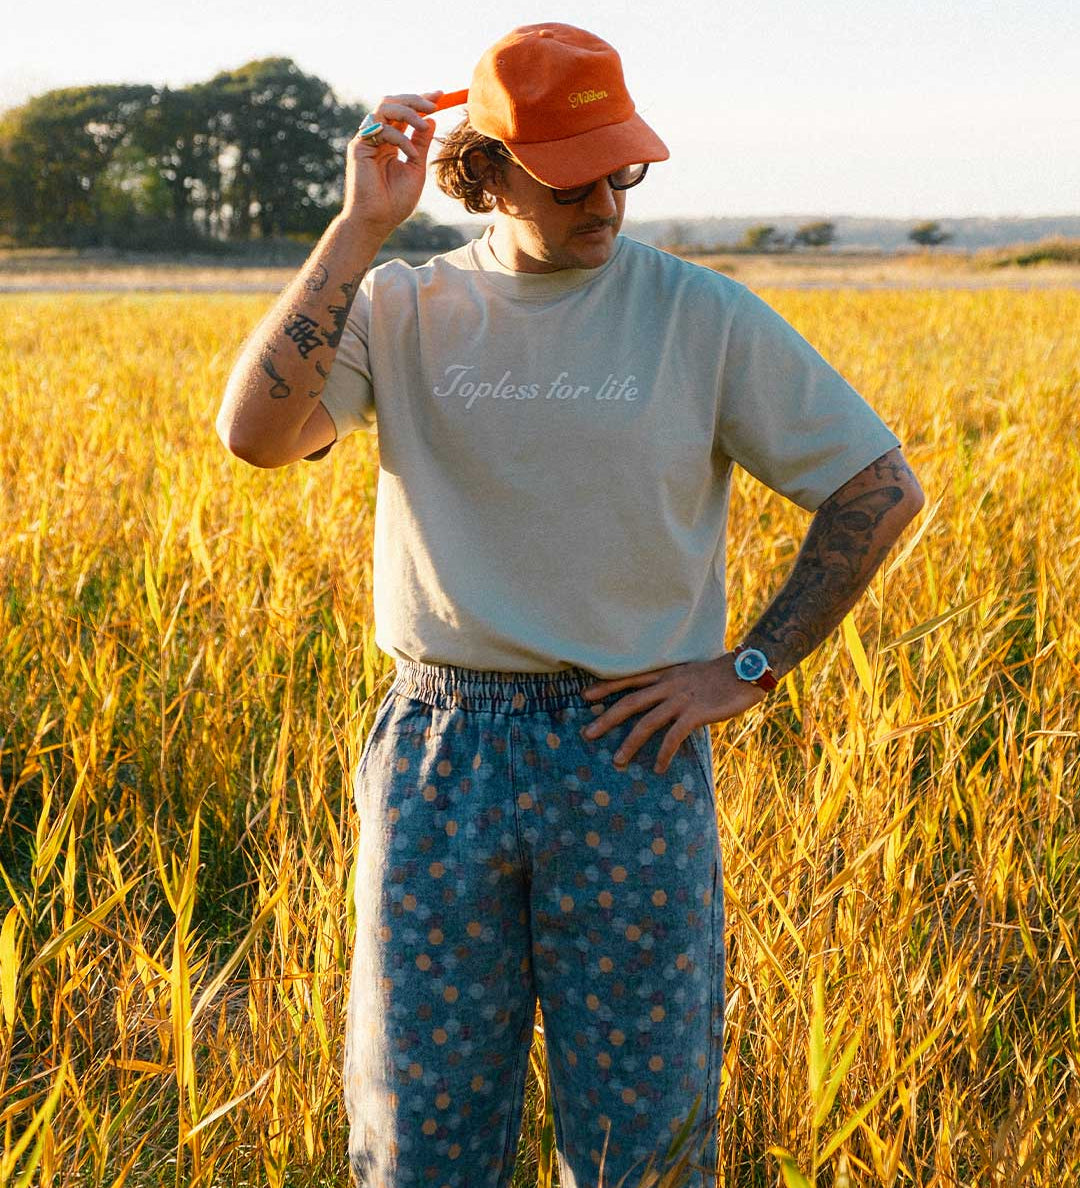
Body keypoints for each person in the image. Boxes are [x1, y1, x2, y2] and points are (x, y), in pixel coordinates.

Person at [216, 21, 925, 1188]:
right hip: (442, 747)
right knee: (419, 1138)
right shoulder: (400, 305)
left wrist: (746, 668)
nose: (605, 202)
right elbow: (256, 436)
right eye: (570, 177)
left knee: (640, 1141)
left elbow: (879, 488)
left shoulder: (701, 313)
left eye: (623, 171)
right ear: (482, 170)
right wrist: (357, 227)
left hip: (627, 747)